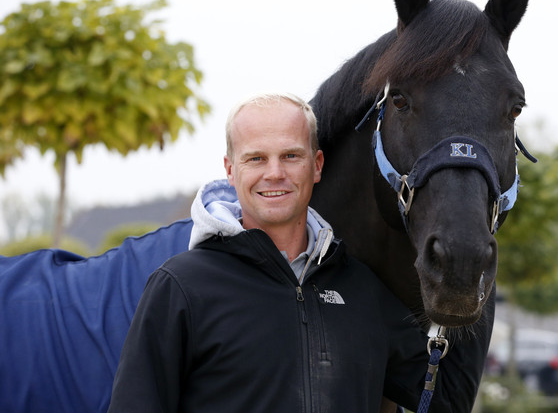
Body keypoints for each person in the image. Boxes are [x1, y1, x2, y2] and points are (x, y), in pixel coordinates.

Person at [107, 93, 489, 413]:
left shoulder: (362, 291)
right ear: (229, 170)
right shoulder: (181, 287)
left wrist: (474, 253)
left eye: (291, 156)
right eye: (256, 158)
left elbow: (446, 399)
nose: (274, 173)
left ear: (317, 166)